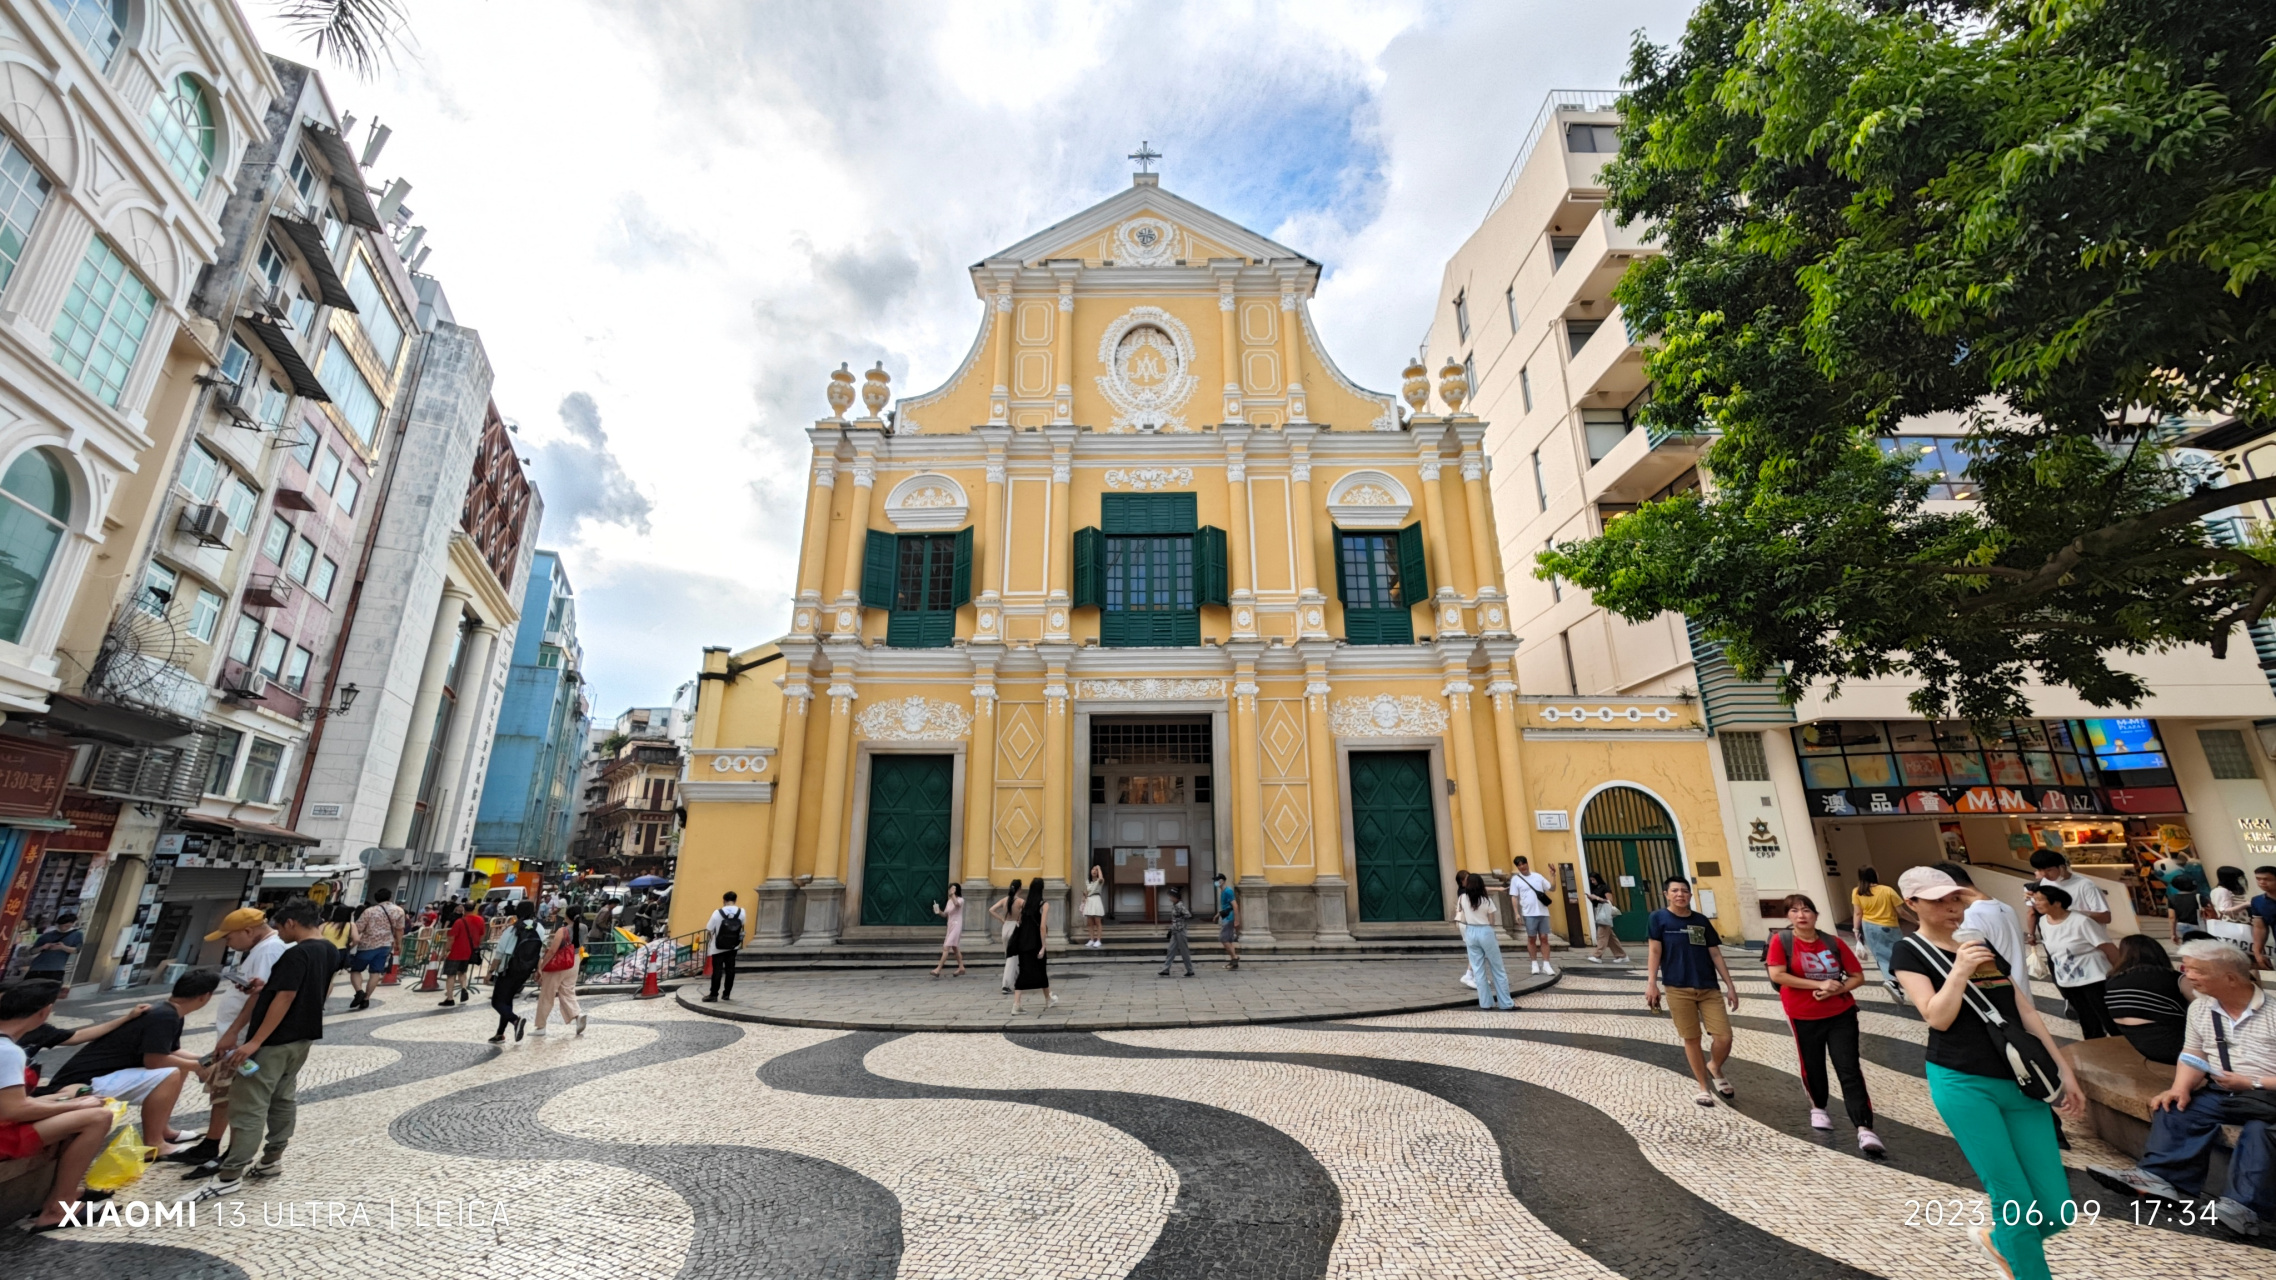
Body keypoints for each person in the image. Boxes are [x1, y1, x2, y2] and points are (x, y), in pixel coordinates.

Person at [1889, 866, 2086, 1280]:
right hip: (1963, 1081)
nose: (1951, 907)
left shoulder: (1980, 944)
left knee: (2055, 1208)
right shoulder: (1909, 951)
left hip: (2021, 1080)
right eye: (1938, 900)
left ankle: (1999, 1241)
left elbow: (2024, 1011)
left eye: (1955, 898)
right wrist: (1959, 970)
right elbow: (1937, 1017)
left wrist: (2064, 1070)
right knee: (2014, 1199)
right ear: (1912, 904)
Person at [2086, 940, 2275, 1239]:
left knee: (2259, 1132)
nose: (2188, 975)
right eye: (2186, 968)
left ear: (2230, 977)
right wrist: (2180, 1087)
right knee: (2176, 1107)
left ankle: (2243, 1208)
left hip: (2268, 1097)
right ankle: (2159, 1178)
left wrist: (2252, 1082)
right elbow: (2193, 1054)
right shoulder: (2201, 1008)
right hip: (2225, 1092)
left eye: (2197, 970)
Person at [181, 898, 341, 1204]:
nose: (278, 932)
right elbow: (312, 989)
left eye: (280, 926)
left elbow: (285, 996)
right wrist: (262, 989)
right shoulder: (329, 950)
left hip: (275, 1041)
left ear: (291, 923)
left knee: (248, 1106)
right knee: (282, 1098)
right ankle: (271, 1160)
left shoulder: (296, 953)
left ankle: (230, 1175)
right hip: (302, 1037)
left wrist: (254, 1041)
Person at [39, 969, 218, 1158]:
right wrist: (197, 1067)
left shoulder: (169, 1012)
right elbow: (154, 1060)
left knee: (179, 1067)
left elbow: (170, 1051)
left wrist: (205, 1060)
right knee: (172, 1072)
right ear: (205, 996)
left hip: (103, 1075)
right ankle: (155, 1144)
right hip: (85, 1082)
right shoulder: (165, 1016)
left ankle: (163, 1130)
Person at [1763, 894, 1884, 1154]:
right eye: (1794, 911)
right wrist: (1819, 984)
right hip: (1803, 1014)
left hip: (1840, 1013)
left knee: (1848, 1067)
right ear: (1788, 916)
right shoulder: (1781, 941)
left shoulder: (1833, 942)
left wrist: (1835, 990)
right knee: (1813, 1064)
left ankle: (1864, 1128)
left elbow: (1857, 976)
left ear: (1816, 915)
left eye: (1806, 910)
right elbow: (1778, 975)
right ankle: (1818, 1107)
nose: (1801, 915)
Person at [0, 979, 115, 1232]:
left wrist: (65, 1101)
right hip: (3, 1135)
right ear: (44, 1012)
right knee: (98, 1118)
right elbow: (13, 1110)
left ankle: (59, 1194)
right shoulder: (7, 1051)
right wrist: (75, 1106)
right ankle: (58, 1208)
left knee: (78, 1107)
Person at [1644, 876, 1742, 1108]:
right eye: (1675, 891)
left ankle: (1714, 1066)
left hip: (1708, 986)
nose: (1680, 894)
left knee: (1724, 1037)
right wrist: (1651, 983)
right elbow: (1655, 952)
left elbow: (1715, 953)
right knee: (1692, 1038)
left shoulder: (1700, 920)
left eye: (1684, 891)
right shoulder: (1658, 918)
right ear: (1666, 894)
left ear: (1690, 894)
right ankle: (1703, 1087)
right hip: (1677, 987)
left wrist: (1730, 986)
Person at [2027, 882, 2120, 1040]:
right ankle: (2097, 1050)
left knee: (2110, 1019)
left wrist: (2120, 974)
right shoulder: (2043, 922)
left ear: (2057, 902)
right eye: (2035, 900)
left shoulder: (2081, 921)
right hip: (2068, 981)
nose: (2037, 903)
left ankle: (2126, 1049)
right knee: (2087, 1022)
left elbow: (2109, 948)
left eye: (2040, 899)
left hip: (2094, 979)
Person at [1939, 863, 2035, 1001]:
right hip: (2023, 994)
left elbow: (1975, 967)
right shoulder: (2006, 907)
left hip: (2001, 998)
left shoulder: (1971, 916)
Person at [2103, 934, 2192, 1065]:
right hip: (2181, 1048)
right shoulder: (2173, 978)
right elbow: (2204, 1005)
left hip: (2144, 1048)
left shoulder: (2111, 981)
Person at [1456, 873, 1517, 1011]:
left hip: (1470, 931)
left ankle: (1485, 1003)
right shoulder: (1486, 900)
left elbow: (1461, 913)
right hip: (1485, 930)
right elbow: (1492, 921)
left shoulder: (1462, 898)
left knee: (1478, 969)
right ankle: (1506, 1003)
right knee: (1497, 968)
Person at [488, 900, 541, 1044]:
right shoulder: (539, 928)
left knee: (497, 1002)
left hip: (508, 969)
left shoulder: (512, 929)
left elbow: (499, 954)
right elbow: (540, 952)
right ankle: (500, 1034)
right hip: (525, 970)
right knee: (507, 999)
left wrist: (490, 971)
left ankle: (515, 1020)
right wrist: (538, 970)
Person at [1849, 868, 1908, 999]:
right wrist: (1916, 921)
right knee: (1899, 953)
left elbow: (1858, 913)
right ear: (1875, 875)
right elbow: (1901, 912)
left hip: (1869, 927)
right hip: (1890, 926)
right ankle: (1899, 981)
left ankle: (1892, 981)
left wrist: (1856, 930)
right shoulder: (1887, 890)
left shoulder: (1857, 892)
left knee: (1881, 956)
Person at [345, 888, 406, 1011]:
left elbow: (358, 928)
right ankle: (366, 999)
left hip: (367, 945)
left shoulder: (369, 911)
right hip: (385, 945)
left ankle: (359, 992)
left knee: (356, 970)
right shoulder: (399, 911)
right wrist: (399, 944)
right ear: (390, 897)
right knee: (375, 973)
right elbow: (399, 930)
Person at [532, 906, 586, 1036]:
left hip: (560, 963)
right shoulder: (584, 927)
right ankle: (577, 1015)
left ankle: (541, 1026)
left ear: (566, 915)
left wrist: (542, 966)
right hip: (575, 960)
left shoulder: (562, 930)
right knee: (567, 991)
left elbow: (552, 950)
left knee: (547, 994)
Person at [2026, 849, 2112, 924]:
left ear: (2062, 867)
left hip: (2083, 934)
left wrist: (2069, 914)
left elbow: (2105, 917)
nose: (2044, 874)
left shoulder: (2085, 885)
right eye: (2040, 870)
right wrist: (2034, 900)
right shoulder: (2045, 882)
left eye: (2049, 870)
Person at [1508, 856, 1556, 976]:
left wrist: (1552, 875)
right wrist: (1516, 913)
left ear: (1527, 863)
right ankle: (1534, 963)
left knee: (1544, 938)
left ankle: (1546, 964)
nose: (1522, 867)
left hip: (1543, 912)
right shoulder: (1516, 879)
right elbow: (1514, 896)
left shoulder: (1538, 876)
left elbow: (1552, 888)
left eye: (1523, 864)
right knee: (1531, 938)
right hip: (1528, 913)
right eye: (1519, 865)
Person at [1011, 888, 1054, 1012]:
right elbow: (1042, 927)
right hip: (1036, 943)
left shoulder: (1024, 905)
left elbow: (1019, 921)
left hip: (1023, 943)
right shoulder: (1044, 904)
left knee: (1023, 972)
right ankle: (1048, 999)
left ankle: (1017, 1004)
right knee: (1041, 970)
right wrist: (1043, 946)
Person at [440, 902, 488, 1006]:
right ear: (474, 908)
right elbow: (482, 935)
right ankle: (464, 988)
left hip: (455, 952)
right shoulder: (480, 920)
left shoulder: (459, 922)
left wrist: (446, 951)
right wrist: (476, 945)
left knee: (450, 975)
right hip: (469, 952)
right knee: (462, 972)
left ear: (463, 909)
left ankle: (450, 998)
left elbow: (451, 938)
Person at [704, 891, 746, 1002]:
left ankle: (713, 995)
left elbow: (709, 928)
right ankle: (726, 994)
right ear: (735, 900)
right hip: (733, 946)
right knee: (730, 970)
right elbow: (741, 925)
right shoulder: (741, 912)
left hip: (717, 947)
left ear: (724, 900)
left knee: (717, 970)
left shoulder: (717, 913)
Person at [22, 912, 81, 985]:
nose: (63, 928)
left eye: (67, 926)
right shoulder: (48, 934)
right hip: (37, 968)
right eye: (61, 925)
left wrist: (63, 947)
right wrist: (43, 947)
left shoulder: (77, 934)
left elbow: (76, 950)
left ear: (72, 925)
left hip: (56, 970)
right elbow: (32, 951)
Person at [1585, 871, 1626, 963]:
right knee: (1611, 938)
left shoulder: (1604, 887)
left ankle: (1597, 956)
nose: (1592, 882)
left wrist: (1596, 898)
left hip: (1605, 913)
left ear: (1598, 879)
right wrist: (1591, 898)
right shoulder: (1595, 888)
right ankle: (1621, 955)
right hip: (1599, 911)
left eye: (1593, 880)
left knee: (1601, 935)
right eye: (1591, 880)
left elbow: (1609, 901)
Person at [993, 879, 1025, 994]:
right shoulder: (1020, 901)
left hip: (1005, 927)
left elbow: (991, 910)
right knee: (1012, 957)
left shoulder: (1004, 900)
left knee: (1011, 956)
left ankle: (1019, 980)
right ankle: (1005, 985)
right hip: (1014, 928)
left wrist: (1001, 919)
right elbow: (1026, 914)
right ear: (1019, 888)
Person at [929, 883, 966, 978]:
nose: (951, 891)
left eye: (953, 889)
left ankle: (938, 969)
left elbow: (957, 904)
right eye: (950, 889)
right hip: (950, 925)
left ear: (957, 890)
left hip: (957, 925)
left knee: (946, 947)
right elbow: (945, 914)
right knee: (955, 947)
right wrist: (938, 911)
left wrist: (952, 895)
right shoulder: (949, 901)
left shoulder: (960, 900)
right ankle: (961, 967)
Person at [1158, 885, 1195, 978]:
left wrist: (1180, 920)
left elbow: (1188, 915)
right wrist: (1171, 929)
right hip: (1175, 930)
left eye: (1171, 896)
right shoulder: (1175, 905)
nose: (1170, 898)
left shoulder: (1179, 905)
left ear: (1175, 897)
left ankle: (1190, 970)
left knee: (1184, 951)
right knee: (1171, 950)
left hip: (1180, 930)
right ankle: (1166, 969)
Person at [2251, 865, 2276, 971]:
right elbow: (2260, 927)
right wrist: (2257, 952)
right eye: (2258, 879)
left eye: (2267, 879)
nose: (2262, 882)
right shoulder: (2257, 901)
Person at [1215, 873, 1240, 970]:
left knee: (1223, 939)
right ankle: (1234, 961)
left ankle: (1235, 958)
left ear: (1222, 881)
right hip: (1226, 917)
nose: (1216, 882)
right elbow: (1226, 907)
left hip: (1229, 919)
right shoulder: (1223, 891)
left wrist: (1236, 920)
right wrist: (1218, 914)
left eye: (1218, 880)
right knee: (1228, 940)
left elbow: (1235, 906)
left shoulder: (1228, 891)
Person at [1081, 865, 1107, 948]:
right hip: (1089, 900)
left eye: (1096, 870)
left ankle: (1098, 940)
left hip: (1096, 899)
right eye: (1093, 869)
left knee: (1097, 922)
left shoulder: (1100, 881)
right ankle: (1091, 939)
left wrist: (1099, 868)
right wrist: (1084, 896)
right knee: (1090, 922)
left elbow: (1101, 878)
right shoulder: (1088, 882)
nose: (1094, 871)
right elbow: (1086, 892)